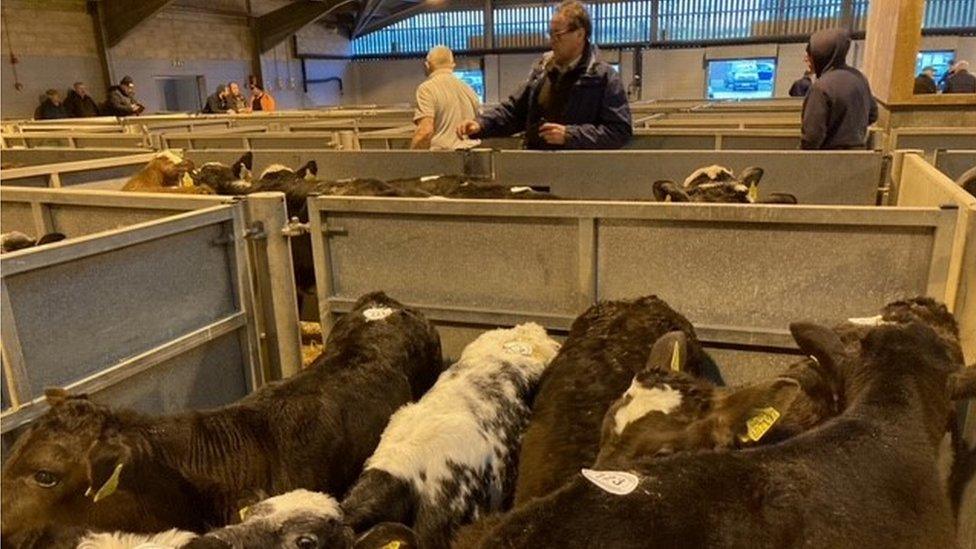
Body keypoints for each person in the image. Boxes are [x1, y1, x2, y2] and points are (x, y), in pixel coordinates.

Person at [457, 0, 631, 149]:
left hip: (579, 178)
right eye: (550, 34)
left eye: (558, 35)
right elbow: (514, 112)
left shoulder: (604, 77)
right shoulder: (542, 72)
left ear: (580, 34)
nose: (551, 41)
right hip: (537, 172)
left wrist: (570, 136)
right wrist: (481, 124)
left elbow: (619, 131)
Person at [800, 28, 877, 150]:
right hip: (859, 157)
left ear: (821, 54)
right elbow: (873, 115)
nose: (806, 58)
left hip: (829, 161)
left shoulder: (821, 87)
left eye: (810, 54)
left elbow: (812, 137)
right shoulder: (859, 77)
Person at [411, 45, 481, 150]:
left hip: (443, 159)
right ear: (453, 65)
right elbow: (477, 124)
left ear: (427, 65)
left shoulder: (427, 89)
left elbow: (425, 131)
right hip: (472, 155)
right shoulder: (469, 89)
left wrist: (410, 159)